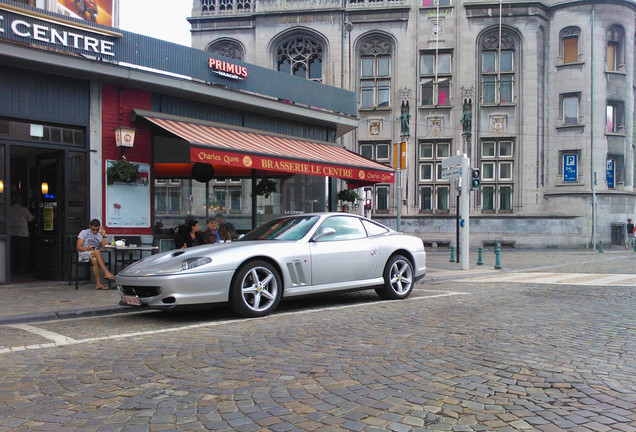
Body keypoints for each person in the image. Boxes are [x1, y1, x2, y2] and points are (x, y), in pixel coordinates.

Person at [77, 219, 115, 290]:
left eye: (97, 230)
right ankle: (106, 272)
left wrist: (104, 236)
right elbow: (78, 247)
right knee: (97, 252)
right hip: (84, 253)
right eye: (93, 229)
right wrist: (86, 249)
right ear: (90, 227)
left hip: (95, 255)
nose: (95, 231)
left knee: (95, 260)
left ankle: (98, 284)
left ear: (99, 228)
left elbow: (105, 249)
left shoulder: (99, 235)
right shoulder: (84, 233)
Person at [10, 194, 34, 273]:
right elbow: (30, 219)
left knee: (13, 252)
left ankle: (13, 267)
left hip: (11, 233)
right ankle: (22, 268)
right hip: (23, 233)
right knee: (23, 252)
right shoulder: (24, 210)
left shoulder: (9, 209)